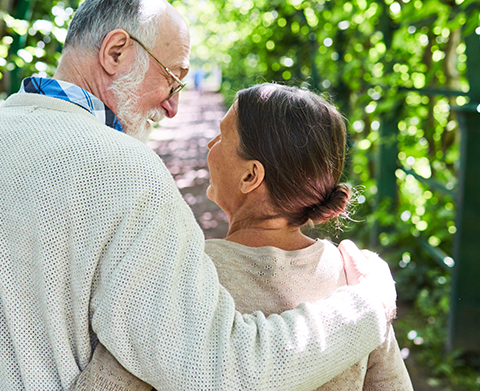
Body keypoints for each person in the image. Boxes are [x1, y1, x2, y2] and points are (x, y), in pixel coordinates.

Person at [0, 0, 397, 391]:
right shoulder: (123, 169)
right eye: (172, 79)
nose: (173, 108)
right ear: (117, 51)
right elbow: (218, 369)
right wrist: (367, 305)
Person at [73, 84, 413, 390]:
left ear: (251, 175)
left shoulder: (190, 270)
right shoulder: (359, 282)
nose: (210, 144)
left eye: (221, 136)